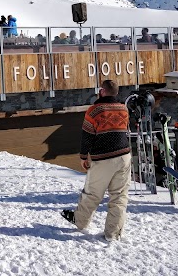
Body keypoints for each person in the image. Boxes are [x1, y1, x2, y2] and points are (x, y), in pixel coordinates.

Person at [61, 79, 131, 241]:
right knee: (119, 197)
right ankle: (112, 234)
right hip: (124, 157)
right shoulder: (124, 109)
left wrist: (84, 157)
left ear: (102, 91)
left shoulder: (94, 111)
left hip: (103, 158)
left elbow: (87, 136)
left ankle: (80, 221)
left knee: (92, 193)